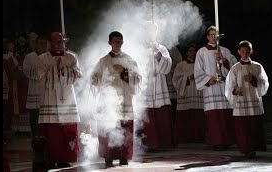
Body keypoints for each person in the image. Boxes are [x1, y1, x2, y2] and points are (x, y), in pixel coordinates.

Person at [91, 31, 141, 168]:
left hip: (125, 99)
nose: (118, 43)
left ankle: (124, 157)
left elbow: (138, 80)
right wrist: (101, 81)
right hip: (108, 102)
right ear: (109, 42)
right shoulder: (103, 61)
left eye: (120, 41)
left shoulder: (129, 60)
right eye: (115, 41)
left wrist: (124, 72)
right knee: (108, 127)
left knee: (125, 128)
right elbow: (93, 79)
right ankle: (108, 157)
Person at [37, 32, 82, 168]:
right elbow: (41, 78)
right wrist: (56, 69)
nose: (59, 44)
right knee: (52, 132)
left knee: (67, 131)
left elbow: (78, 76)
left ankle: (64, 158)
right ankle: (51, 158)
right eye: (56, 41)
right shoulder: (42, 58)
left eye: (61, 41)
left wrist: (65, 69)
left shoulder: (71, 57)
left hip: (67, 98)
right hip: (50, 98)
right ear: (50, 43)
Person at [194, 25, 237, 151]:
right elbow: (197, 70)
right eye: (211, 35)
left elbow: (234, 67)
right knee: (214, 116)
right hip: (211, 88)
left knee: (225, 114)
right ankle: (217, 142)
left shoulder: (225, 51)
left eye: (215, 35)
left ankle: (227, 140)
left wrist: (224, 60)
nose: (213, 37)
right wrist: (208, 79)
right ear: (207, 37)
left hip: (223, 86)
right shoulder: (201, 52)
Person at [225, 40, 269, 158]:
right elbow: (229, 85)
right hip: (241, 103)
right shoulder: (235, 68)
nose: (245, 54)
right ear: (239, 52)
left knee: (254, 127)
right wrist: (235, 90)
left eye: (247, 52)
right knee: (243, 128)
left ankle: (253, 149)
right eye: (243, 52)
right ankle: (245, 149)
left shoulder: (257, 66)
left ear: (251, 51)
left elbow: (265, 83)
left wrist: (254, 80)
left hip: (253, 101)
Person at [139, 21, 176, 151]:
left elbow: (167, 66)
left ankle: (162, 143)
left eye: (152, 30)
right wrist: (144, 72)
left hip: (159, 84)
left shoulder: (161, 48)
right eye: (147, 30)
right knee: (147, 114)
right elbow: (134, 65)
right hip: (145, 85)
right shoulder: (139, 48)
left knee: (161, 115)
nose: (150, 33)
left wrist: (158, 53)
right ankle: (147, 144)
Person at [172, 44, 205, 143]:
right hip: (186, 94)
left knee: (197, 116)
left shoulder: (201, 64)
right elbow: (175, 79)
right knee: (185, 117)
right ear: (186, 53)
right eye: (190, 51)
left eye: (194, 51)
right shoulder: (181, 65)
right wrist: (187, 79)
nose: (193, 53)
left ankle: (198, 137)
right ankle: (184, 137)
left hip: (198, 93)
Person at [23, 34, 49, 138]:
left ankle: (45, 139)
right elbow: (26, 72)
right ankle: (35, 139)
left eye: (45, 43)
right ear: (36, 44)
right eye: (41, 43)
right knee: (34, 118)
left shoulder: (49, 56)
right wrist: (40, 69)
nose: (43, 45)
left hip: (46, 92)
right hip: (34, 90)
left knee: (46, 119)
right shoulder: (29, 57)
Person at [166, 45, 183, 124]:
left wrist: (172, 67)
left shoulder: (172, 48)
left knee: (173, 106)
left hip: (171, 80)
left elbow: (179, 64)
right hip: (161, 81)